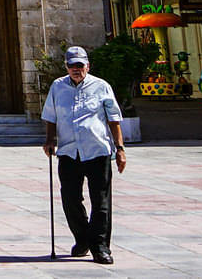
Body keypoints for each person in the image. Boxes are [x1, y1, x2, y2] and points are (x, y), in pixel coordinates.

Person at [42, 45, 126, 265]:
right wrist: (50, 140)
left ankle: (100, 247)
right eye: (72, 66)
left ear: (87, 66)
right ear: (67, 67)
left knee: (101, 202)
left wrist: (120, 149)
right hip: (69, 151)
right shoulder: (57, 87)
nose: (76, 69)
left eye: (80, 65)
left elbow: (113, 119)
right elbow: (50, 116)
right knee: (70, 199)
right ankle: (82, 239)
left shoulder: (101, 86)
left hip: (97, 150)